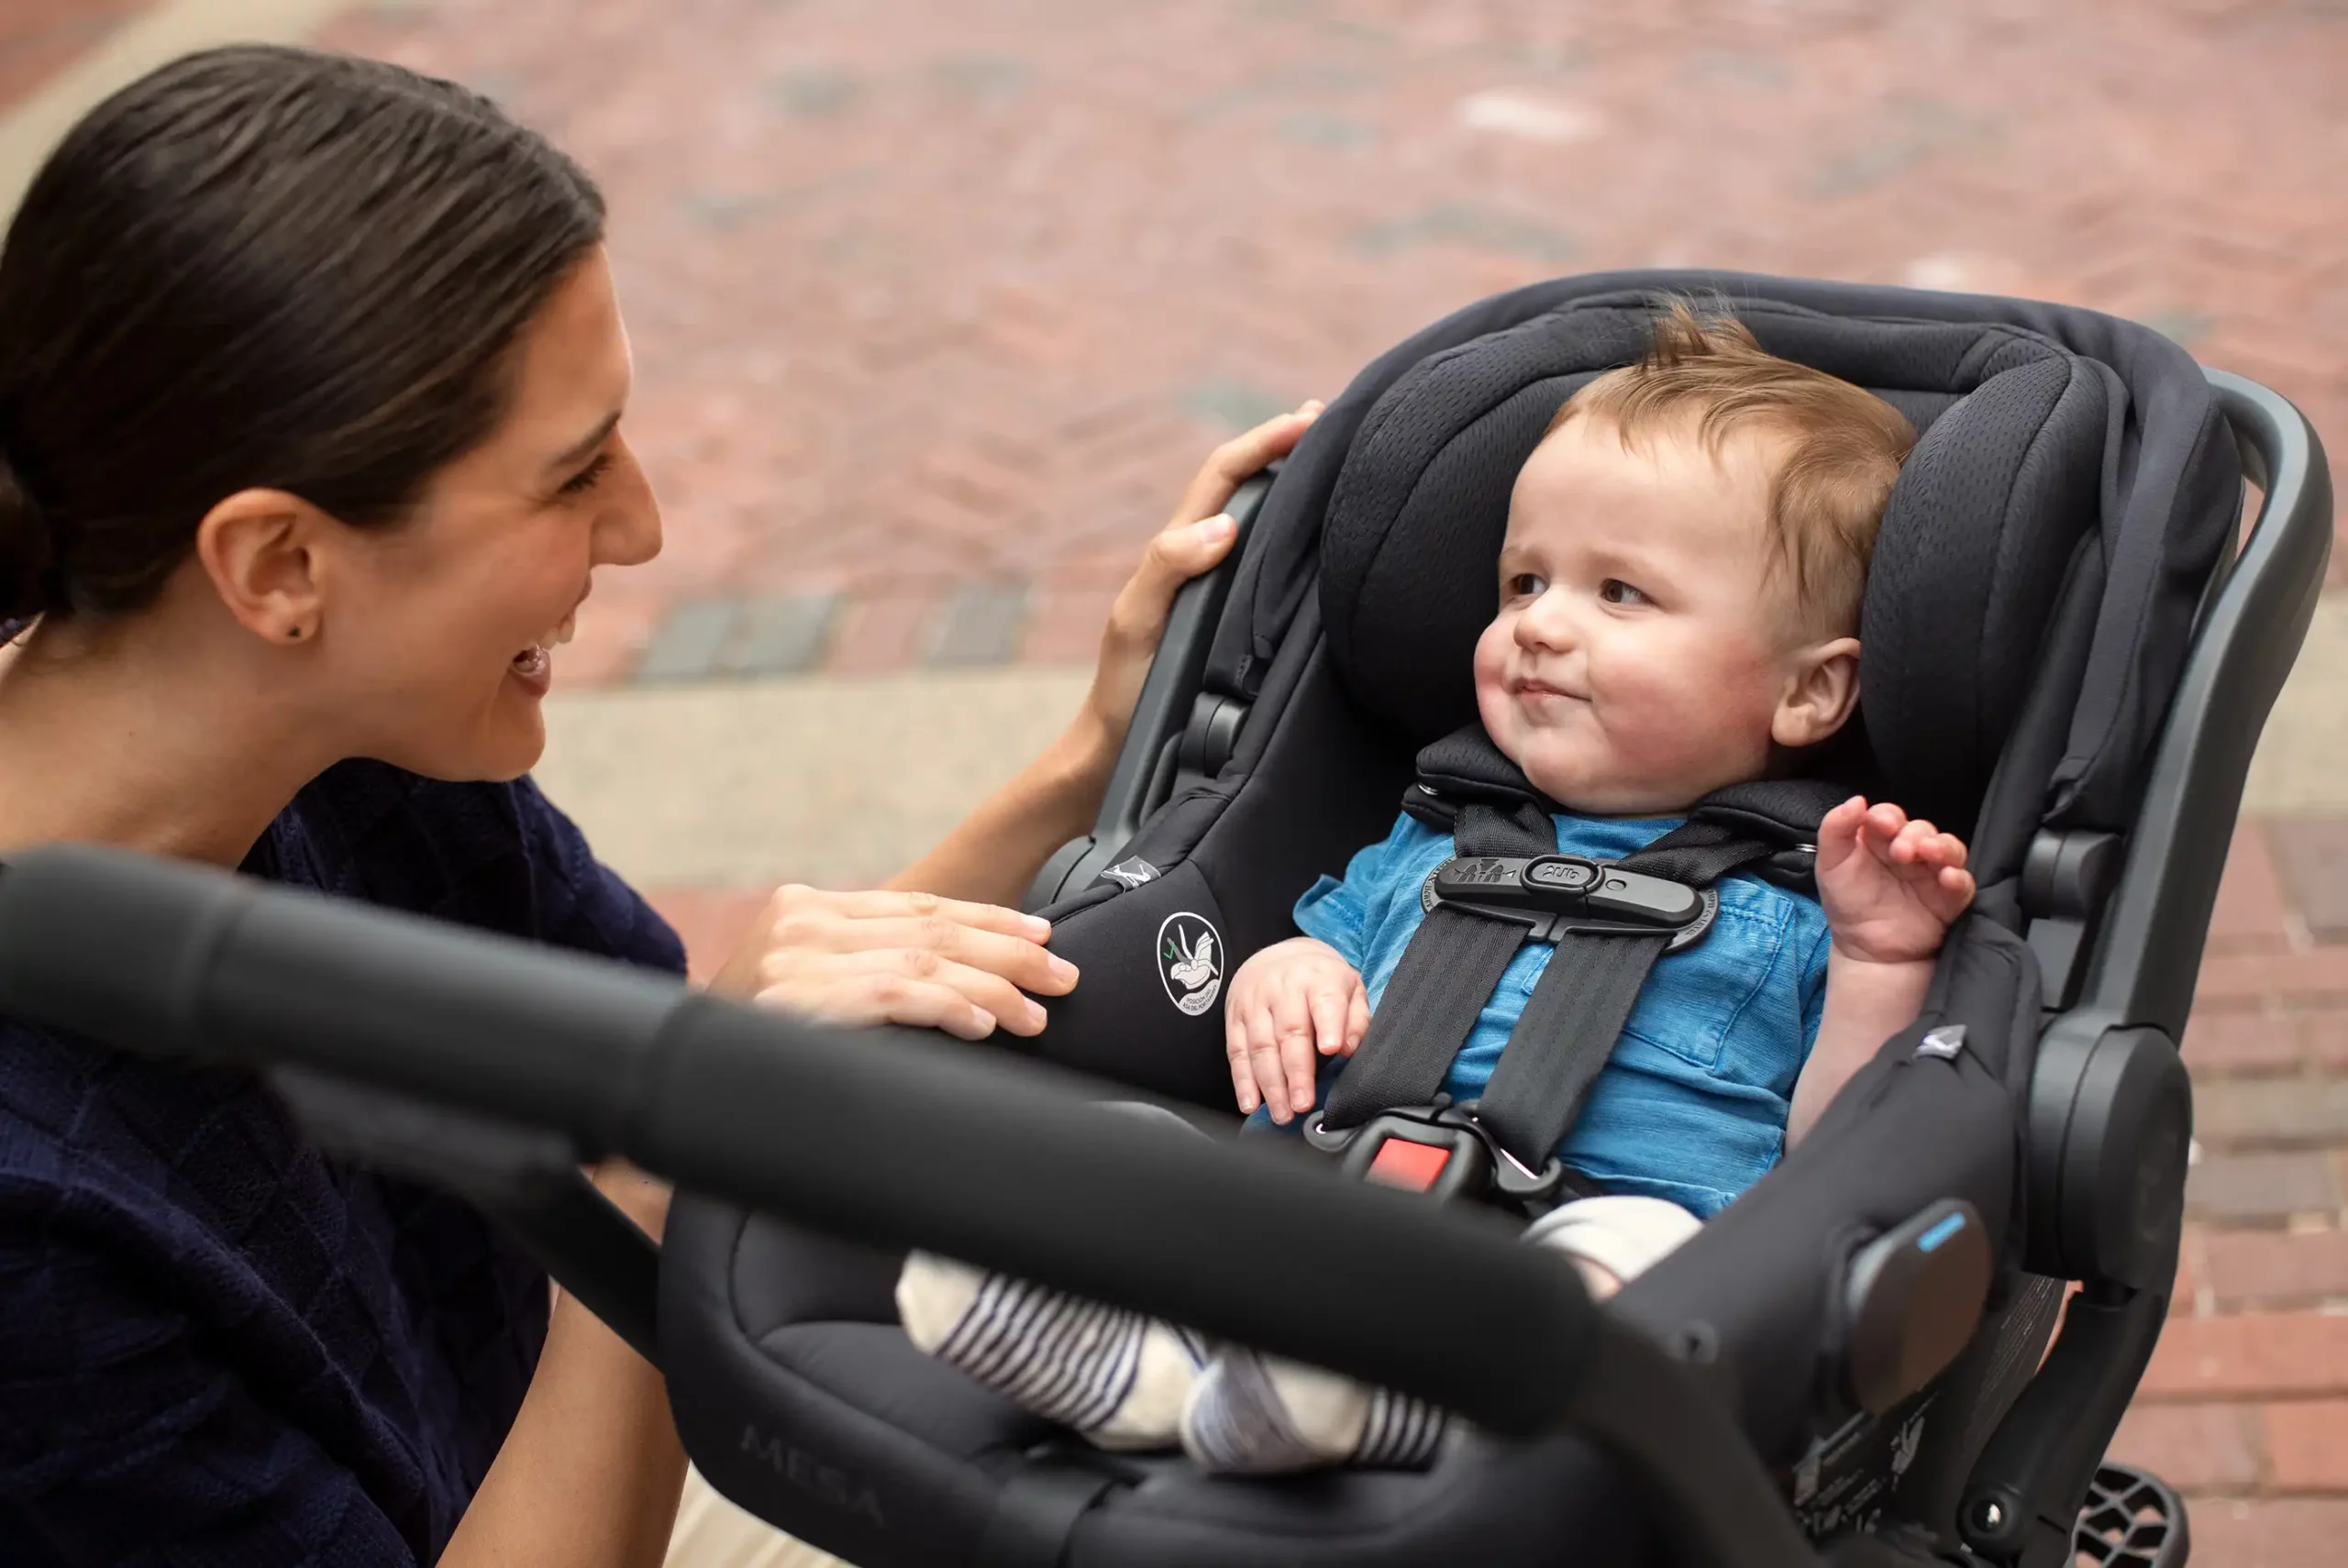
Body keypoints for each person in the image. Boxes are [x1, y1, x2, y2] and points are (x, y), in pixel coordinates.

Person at [0, 44, 1318, 1568]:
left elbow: (718, 1041)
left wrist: (1091, 754)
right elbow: (672, 1119)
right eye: (570, 480)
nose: (642, 526)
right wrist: (658, 1161)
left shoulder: (352, 747)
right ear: (280, 568)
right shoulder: (33, 1230)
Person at [898, 302, 1977, 1474]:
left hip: (1605, 1236)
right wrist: (1286, 970)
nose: (1541, 628)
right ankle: (1157, 1372)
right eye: (1522, 584)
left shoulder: (1823, 896)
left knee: (1639, 1264)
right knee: (1130, 1152)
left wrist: (1879, 963)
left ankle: (1365, 1393)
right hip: (1330, 1200)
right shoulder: (1438, 839)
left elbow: (1840, 1154)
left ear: (1808, 695)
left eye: (1620, 595)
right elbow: (1322, 946)